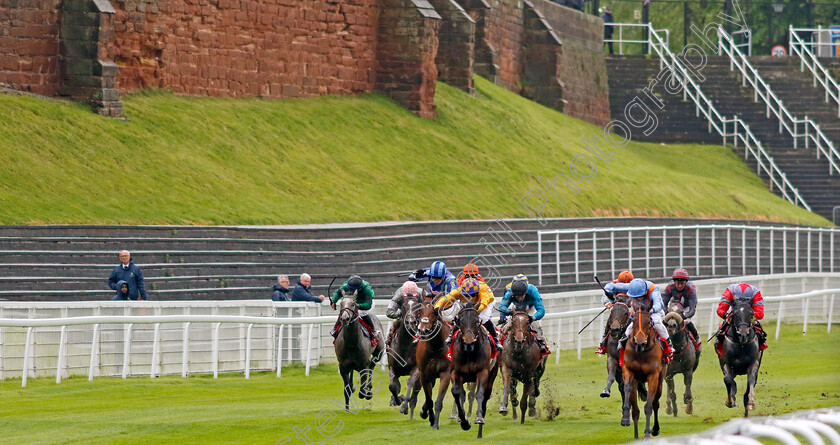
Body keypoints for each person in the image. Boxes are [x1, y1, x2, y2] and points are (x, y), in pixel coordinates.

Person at [434, 277, 501, 351]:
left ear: (477, 292)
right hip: (471, 305)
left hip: (487, 302)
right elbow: (447, 298)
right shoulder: (458, 291)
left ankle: (496, 340)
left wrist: (474, 312)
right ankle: (451, 336)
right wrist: (437, 307)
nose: (470, 297)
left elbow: (483, 304)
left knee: (483, 318)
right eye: (467, 295)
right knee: (463, 318)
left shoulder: (483, 291)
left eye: (472, 295)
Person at [617, 278, 674, 362]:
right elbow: (615, 286)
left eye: (639, 297)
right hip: (641, 313)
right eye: (635, 297)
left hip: (654, 311)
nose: (638, 299)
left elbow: (659, 304)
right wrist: (608, 288)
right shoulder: (632, 288)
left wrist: (652, 310)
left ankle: (669, 345)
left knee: (656, 323)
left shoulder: (653, 290)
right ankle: (622, 340)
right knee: (633, 324)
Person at [498, 276, 548, 355]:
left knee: (535, 325)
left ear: (526, 292)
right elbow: (502, 307)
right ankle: (499, 343)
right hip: (515, 309)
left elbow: (541, 310)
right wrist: (507, 313)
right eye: (517, 296)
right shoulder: (510, 291)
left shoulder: (533, 290)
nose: (520, 298)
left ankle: (541, 342)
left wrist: (533, 318)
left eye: (522, 296)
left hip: (530, 308)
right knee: (505, 327)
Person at [714, 283, 767, 354]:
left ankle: (760, 346)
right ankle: (720, 346)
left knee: (760, 331)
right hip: (734, 313)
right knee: (721, 331)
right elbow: (720, 310)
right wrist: (726, 315)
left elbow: (760, 314)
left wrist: (748, 316)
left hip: (749, 314)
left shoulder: (756, 293)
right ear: (735, 297)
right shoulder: (730, 291)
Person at [595, 269, 634, 354]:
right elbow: (605, 296)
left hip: (630, 307)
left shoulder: (635, 286)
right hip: (617, 306)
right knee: (611, 318)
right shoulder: (613, 285)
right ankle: (604, 341)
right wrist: (607, 303)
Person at [662, 268, 701, 350]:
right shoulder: (669, 287)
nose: (679, 286)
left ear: (686, 282)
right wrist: (666, 313)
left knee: (688, 321)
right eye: (677, 283)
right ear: (674, 282)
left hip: (685, 308)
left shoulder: (691, 289)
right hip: (673, 307)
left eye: (682, 283)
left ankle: (696, 339)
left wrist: (684, 316)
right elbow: (663, 303)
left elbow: (692, 308)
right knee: (662, 322)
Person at [330, 275, 380, 339]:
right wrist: (334, 301)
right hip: (351, 301)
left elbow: (368, 305)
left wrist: (357, 305)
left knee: (362, 313)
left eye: (353, 290)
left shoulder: (367, 289)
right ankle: (335, 329)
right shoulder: (346, 286)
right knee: (345, 311)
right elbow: (337, 293)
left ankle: (373, 331)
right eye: (350, 289)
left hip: (365, 302)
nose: (351, 290)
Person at [385, 280, 422, 345]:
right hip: (403, 311)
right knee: (395, 323)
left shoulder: (421, 294)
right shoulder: (398, 295)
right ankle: (389, 337)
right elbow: (389, 311)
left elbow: (428, 308)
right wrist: (400, 314)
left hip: (417, 312)